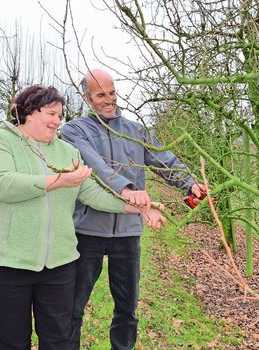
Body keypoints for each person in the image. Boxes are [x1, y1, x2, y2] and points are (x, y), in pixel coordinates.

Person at [0, 84, 165, 350]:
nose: (56, 121)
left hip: (58, 266)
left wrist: (140, 207)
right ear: (28, 111)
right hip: (6, 264)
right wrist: (58, 181)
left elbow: (93, 194)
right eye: (50, 113)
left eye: (59, 116)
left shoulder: (67, 153)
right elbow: (0, 184)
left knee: (60, 341)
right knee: (13, 342)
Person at [62, 69, 206, 350]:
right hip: (87, 231)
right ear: (86, 98)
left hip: (127, 234)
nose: (109, 99)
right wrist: (126, 189)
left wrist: (189, 184)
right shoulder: (74, 131)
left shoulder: (135, 130)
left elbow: (164, 159)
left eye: (112, 92)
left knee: (127, 310)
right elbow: (95, 166)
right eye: (101, 94)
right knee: (73, 308)